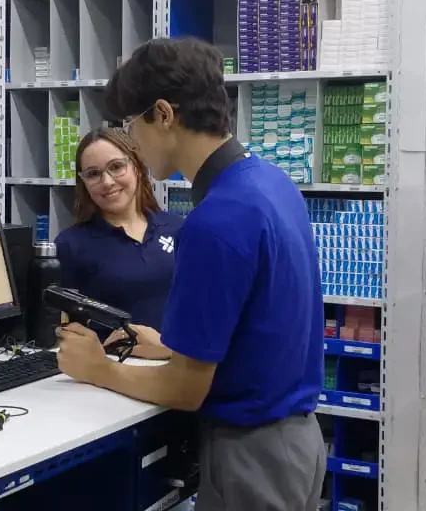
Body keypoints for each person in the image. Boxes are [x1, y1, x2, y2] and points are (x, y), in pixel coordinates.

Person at [55, 37, 326, 510]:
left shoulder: (214, 221)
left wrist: (97, 369)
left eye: (130, 125)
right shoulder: (271, 182)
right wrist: (169, 346)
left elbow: (185, 388)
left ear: (163, 114)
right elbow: (258, 322)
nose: (132, 141)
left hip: (251, 455)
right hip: (298, 443)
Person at [55, 127, 182, 359]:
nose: (107, 181)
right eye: (93, 174)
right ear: (83, 182)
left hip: (179, 365)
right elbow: (63, 330)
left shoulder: (178, 229)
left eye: (116, 167)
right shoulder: (70, 245)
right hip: (112, 371)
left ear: (137, 167)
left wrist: (168, 349)